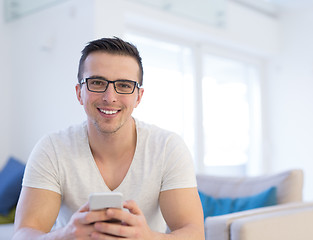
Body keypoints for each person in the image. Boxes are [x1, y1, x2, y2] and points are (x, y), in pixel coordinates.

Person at [13, 37, 205, 239]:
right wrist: (65, 235)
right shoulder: (51, 149)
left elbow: (194, 234)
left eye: (123, 85)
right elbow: (22, 234)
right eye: (97, 82)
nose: (109, 97)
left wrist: (149, 237)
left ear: (138, 97)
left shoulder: (168, 148)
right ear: (79, 93)